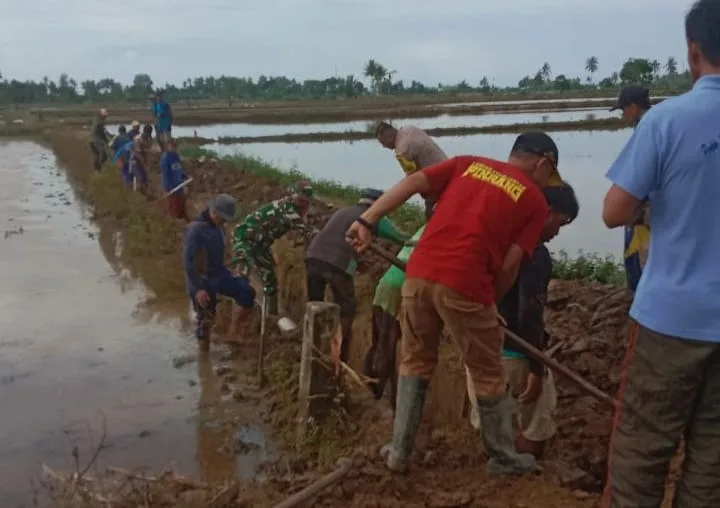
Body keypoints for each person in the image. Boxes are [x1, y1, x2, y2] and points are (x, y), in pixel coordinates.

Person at [346, 131, 563, 476]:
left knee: (415, 361)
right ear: (543, 163)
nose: (546, 183)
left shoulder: (468, 164)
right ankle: (502, 459)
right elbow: (511, 264)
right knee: (487, 373)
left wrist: (365, 220)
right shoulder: (535, 201)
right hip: (465, 280)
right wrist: (490, 305)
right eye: (549, 175)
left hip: (418, 273)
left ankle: (399, 452)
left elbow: (413, 182)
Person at [601, 1, 720, 506]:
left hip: (672, 318)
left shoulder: (666, 120)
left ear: (694, 52)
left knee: (642, 452)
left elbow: (614, 211)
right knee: (712, 460)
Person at [466, 182, 579, 460]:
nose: (558, 232)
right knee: (533, 434)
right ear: (547, 211)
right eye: (561, 222)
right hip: (514, 357)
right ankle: (519, 474)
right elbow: (528, 314)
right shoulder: (535, 254)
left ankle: (498, 469)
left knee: (492, 427)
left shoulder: (492, 235)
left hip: (479, 349)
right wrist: (537, 370)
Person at [305, 188, 409, 363]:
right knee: (347, 308)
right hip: (337, 262)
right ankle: (339, 356)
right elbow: (401, 238)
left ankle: (311, 350)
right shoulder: (374, 216)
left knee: (315, 306)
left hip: (312, 256)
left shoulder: (343, 211)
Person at [364, 221, 428, 410]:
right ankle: (379, 395)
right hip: (399, 289)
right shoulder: (441, 233)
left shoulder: (423, 228)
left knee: (379, 342)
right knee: (388, 345)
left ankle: (371, 386)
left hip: (385, 284)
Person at [184, 194, 256, 351]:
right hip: (202, 279)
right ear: (214, 212)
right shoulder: (195, 230)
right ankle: (204, 357)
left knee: (247, 292)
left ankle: (233, 332)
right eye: (223, 219)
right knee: (205, 320)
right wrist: (198, 289)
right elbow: (189, 263)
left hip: (220, 273)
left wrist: (230, 270)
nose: (224, 222)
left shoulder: (219, 226)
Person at [232, 181, 315, 316]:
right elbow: (307, 231)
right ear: (292, 197)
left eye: (306, 202)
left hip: (261, 245)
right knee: (242, 279)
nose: (303, 204)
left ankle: (270, 318)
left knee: (270, 281)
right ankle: (237, 319)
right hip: (245, 240)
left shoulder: (292, 209)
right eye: (300, 200)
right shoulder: (288, 210)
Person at [610, 85, 652, 291]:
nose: (623, 114)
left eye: (623, 109)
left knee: (639, 263)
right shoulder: (654, 125)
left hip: (645, 212)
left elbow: (637, 176)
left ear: (633, 107)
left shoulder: (647, 130)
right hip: (651, 209)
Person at [376, 122, 447, 220]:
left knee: (431, 216)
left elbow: (412, 179)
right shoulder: (410, 129)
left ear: (389, 137)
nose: (384, 146)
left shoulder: (403, 150)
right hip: (447, 169)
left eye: (383, 142)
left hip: (437, 183)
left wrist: (392, 198)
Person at [160, 138, 190, 222]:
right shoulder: (165, 158)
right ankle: (175, 221)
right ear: (167, 146)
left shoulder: (176, 156)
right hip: (171, 187)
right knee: (174, 205)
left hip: (179, 184)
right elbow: (166, 174)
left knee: (182, 203)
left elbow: (179, 169)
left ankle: (184, 217)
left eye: (175, 146)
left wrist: (185, 176)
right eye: (172, 146)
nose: (174, 147)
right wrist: (169, 188)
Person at [130, 124, 153, 193]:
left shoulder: (149, 139)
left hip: (143, 159)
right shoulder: (137, 139)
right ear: (144, 131)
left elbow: (148, 152)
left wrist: (148, 162)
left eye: (149, 133)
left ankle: (145, 193)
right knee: (140, 177)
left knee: (146, 179)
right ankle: (138, 192)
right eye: (147, 133)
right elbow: (138, 154)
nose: (148, 135)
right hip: (135, 159)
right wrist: (144, 163)